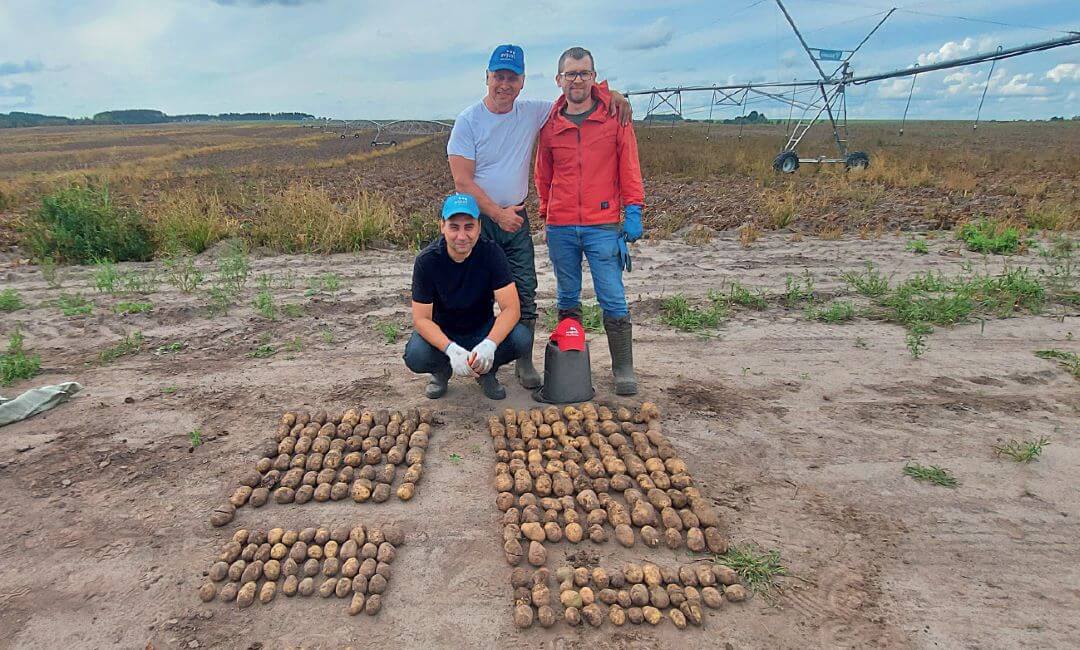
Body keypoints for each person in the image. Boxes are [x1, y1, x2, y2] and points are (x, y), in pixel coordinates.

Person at [447, 43, 632, 390]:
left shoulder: (534, 112)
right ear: (487, 77)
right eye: (498, 77)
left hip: (515, 221)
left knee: (523, 293)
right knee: (474, 295)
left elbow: (576, 96)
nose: (504, 84)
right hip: (479, 223)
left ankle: (523, 363)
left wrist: (612, 94)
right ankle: (472, 367)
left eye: (512, 78)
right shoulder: (468, 120)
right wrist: (497, 214)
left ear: (522, 82)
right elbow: (462, 181)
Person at [534, 47, 645, 395]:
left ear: (594, 77)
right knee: (567, 296)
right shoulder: (550, 125)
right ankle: (572, 365)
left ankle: (623, 368)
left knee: (612, 296)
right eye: (571, 73)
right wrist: (547, 212)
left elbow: (629, 167)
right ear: (559, 80)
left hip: (603, 225)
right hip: (562, 227)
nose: (577, 79)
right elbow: (543, 174)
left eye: (584, 73)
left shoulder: (615, 117)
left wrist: (634, 209)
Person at [403, 193, 532, 401]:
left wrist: (489, 344)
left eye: (469, 227)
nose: (462, 236)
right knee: (416, 354)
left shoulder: (492, 254)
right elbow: (421, 319)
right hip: (444, 332)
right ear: (442, 226)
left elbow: (511, 308)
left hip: (481, 330)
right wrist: (450, 349)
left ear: (479, 227)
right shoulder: (427, 261)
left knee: (521, 339)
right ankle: (442, 370)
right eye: (454, 227)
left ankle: (486, 370)